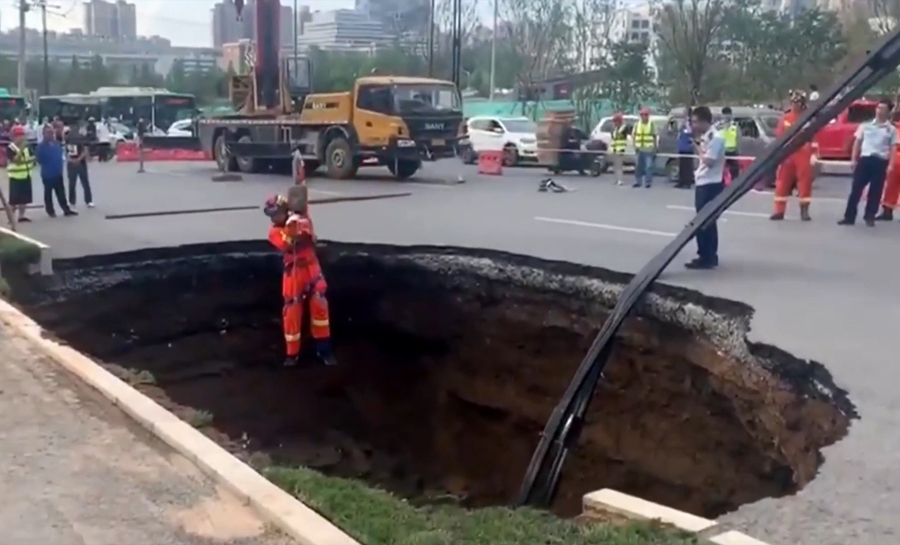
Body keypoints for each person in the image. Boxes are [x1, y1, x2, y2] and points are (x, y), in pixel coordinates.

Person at [263, 194, 336, 367]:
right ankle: (292, 355)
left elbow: (307, 229)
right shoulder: (273, 232)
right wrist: (292, 229)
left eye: (276, 213)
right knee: (292, 311)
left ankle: (324, 350)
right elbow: (287, 244)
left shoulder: (301, 217)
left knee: (320, 306)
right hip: (294, 271)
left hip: (311, 267)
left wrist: (299, 221)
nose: (274, 218)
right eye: (271, 215)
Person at [839, 98, 898, 227]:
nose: (879, 111)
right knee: (856, 189)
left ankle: (869, 216)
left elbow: (893, 147)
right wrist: (854, 159)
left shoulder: (891, 130)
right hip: (865, 159)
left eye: (883, 109)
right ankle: (849, 217)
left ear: (888, 112)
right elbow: (857, 143)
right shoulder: (865, 126)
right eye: (878, 108)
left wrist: (891, 165)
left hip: (880, 161)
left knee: (875, 191)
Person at [686, 105, 726, 270]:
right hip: (703, 181)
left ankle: (708, 256)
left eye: (696, 122)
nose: (694, 125)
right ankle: (704, 253)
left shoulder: (716, 138)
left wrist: (696, 148)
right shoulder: (706, 136)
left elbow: (709, 161)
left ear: (704, 121)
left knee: (706, 222)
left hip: (711, 183)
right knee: (704, 221)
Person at [771, 90, 817, 221]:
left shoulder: (807, 118)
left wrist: (814, 154)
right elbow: (779, 135)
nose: (795, 105)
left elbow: (813, 137)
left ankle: (804, 210)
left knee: (804, 182)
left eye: (797, 103)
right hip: (787, 153)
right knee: (782, 182)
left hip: (803, 151)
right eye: (793, 103)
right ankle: (779, 211)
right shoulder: (785, 118)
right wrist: (778, 152)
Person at [35, 126, 76, 218]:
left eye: (51, 133)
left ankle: (66, 209)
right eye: (48, 133)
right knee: (48, 193)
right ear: (44, 134)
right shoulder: (41, 147)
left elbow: (61, 156)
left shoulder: (56, 144)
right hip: (47, 174)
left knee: (61, 192)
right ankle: (50, 211)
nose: (50, 135)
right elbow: (39, 160)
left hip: (58, 172)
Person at [6, 126, 35, 223]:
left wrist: (29, 160)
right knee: (13, 200)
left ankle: (21, 216)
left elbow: (33, 157)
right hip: (15, 177)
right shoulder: (10, 148)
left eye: (23, 136)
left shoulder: (27, 147)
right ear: (14, 137)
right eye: (20, 136)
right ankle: (11, 218)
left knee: (24, 199)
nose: (22, 138)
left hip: (26, 175)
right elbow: (15, 160)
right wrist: (21, 150)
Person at [65, 129, 94, 208]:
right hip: (74, 163)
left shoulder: (80, 140)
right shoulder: (67, 140)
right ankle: (73, 201)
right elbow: (65, 152)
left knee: (84, 182)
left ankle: (88, 200)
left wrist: (77, 159)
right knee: (73, 183)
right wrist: (72, 160)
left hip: (79, 162)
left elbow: (85, 151)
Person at [632, 107, 657, 188]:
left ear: (648, 116)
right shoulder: (637, 124)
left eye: (645, 115)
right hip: (639, 148)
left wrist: (655, 147)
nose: (643, 116)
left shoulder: (652, 124)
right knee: (638, 166)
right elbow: (634, 135)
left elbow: (654, 136)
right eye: (642, 115)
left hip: (648, 148)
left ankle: (648, 182)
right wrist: (634, 145)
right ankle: (638, 182)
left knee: (649, 166)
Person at [675, 107, 694, 189]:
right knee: (681, 166)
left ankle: (687, 182)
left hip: (688, 148)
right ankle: (681, 181)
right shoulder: (683, 123)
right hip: (682, 147)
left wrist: (687, 123)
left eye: (685, 112)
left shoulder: (691, 123)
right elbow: (679, 132)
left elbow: (691, 132)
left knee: (688, 166)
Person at [720, 106, 740, 183]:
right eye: (725, 114)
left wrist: (738, 150)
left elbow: (738, 137)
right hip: (722, 151)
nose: (726, 116)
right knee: (721, 170)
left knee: (734, 171)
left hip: (733, 151)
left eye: (728, 114)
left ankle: (735, 184)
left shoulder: (735, 125)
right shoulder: (719, 125)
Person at [609, 113, 628, 185]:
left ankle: (620, 180)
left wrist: (623, 123)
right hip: (615, 149)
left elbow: (623, 130)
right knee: (615, 166)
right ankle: (616, 179)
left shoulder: (623, 129)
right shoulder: (615, 129)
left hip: (621, 149)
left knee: (619, 166)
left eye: (616, 121)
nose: (614, 123)